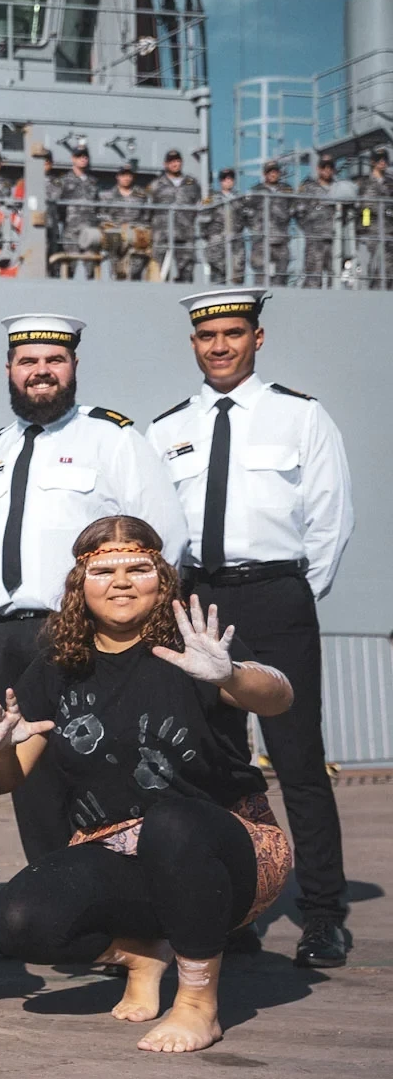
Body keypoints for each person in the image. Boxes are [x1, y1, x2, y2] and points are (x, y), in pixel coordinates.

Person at [0, 517, 296, 1054]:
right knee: (21, 919)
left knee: (172, 822)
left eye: (138, 568)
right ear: (79, 585)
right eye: (103, 570)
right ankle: (141, 951)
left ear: (164, 580)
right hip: (118, 852)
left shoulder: (192, 646)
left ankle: (199, 1002)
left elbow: (280, 698)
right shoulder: (58, 667)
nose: (122, 581)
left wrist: (229, 676)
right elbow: (2, 780)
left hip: (225, 849)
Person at [149, 289, 354, 966]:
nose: (220, 346)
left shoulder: (302, 417)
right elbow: (162, 533)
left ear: (256, 338)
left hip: (277, 596)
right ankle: (231, 906)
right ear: (192, 343)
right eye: (208, 337)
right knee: (218, 766)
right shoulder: (167, 428)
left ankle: (324, 914)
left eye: (233, 333)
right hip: (203, 602)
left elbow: (330, 519)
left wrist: (292, 593)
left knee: (298, 761)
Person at [0, 315, 187, 863]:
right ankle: (55, 896)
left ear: (73, 366)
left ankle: (124, 896)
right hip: (8, 633)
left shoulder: (113, 440)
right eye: (28, 362)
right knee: (26, 771)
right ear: (10, 370)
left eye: (54, 360)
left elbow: (165, 539)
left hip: (84, 631)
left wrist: (128, 625)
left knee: (102, 763)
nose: (41, 372)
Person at [147, 148, 203, 281]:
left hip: (185, 235)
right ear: (165, 164)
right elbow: (148, 210)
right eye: (171, 162)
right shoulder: (155, 185)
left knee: (187, 273)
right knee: (160, 274)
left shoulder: (192, 184)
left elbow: (199, 206)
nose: (175, 164)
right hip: (162, 235)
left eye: (177, 161)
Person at [49, 145, 99, 278]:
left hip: (90, 230)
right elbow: (55, 204)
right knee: (69, 266)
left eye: (85, 156)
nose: (83, 159)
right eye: (79, 156)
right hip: (71, 231)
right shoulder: (63, 181)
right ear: (73, 159)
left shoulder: (93, 182)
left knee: (91, 267)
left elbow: (97, 206)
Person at [294, 154, 339, 289]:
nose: (327, 170)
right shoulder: (308, 188)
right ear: (319, 169)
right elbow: (298, 211)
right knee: (313, 276)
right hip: (315, 240)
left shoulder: (338, 188)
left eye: (330, 167)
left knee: (335, 276)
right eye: (324, 167)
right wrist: (309, 230)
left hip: (335, 239)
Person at [101, 164, 153, 281]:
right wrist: (114, 226)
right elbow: (102, 215)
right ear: (118, 177)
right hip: (116, 237)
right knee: (116, 269)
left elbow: (147, 216)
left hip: (136, 237)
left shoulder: (142, 195)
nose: (126, 178)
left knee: (136, 268)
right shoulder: (108, 196)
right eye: (123, 175)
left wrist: (138, 228)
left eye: (129, 175)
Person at [248, 160, 293, 285]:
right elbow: (247, 213)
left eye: (275, 171)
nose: (273, 174)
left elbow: (294, 209)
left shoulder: (286, 190)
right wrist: (256, 228)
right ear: (264, 174)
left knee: (281, 275)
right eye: (270, 172)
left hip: (281, 238)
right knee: (261, 276)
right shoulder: (256, 191)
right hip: (261, 240)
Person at [201, 168, 244, 284]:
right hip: (217, 242)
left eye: (230, 178)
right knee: (218, 275)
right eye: (225, 179)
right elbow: (203, 219)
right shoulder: (212, 199)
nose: (228, 181)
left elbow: (246, 218)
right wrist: (209, 236)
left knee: (238, 276)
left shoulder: (240, 199)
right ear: (220, 181)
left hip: (236, 241)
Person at [356, 149, 391, 290]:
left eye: (385, 159)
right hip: (371, 232)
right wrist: (365, 231)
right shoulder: (365, 183)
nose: (382, 162)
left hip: (390, 232)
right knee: (372, 268)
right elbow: (364, 209)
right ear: (372, 162)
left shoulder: (390, 183)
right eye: (379, 159)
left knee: (389, 269)